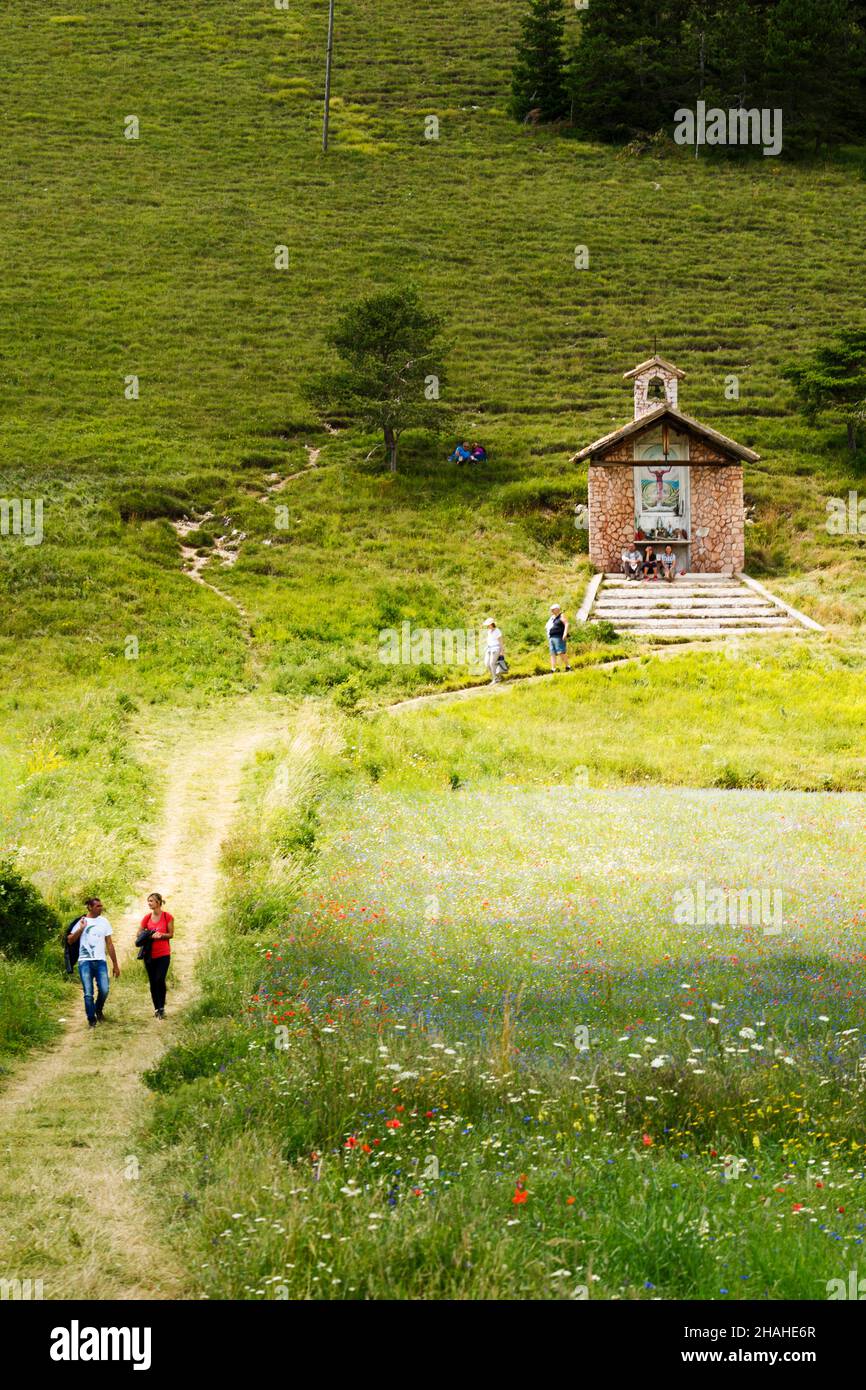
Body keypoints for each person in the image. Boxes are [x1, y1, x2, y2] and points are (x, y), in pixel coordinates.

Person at [67, 897, 120, 1028]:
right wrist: (81, 929)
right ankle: (92, 1020)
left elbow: (109, 943)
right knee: (88, 993)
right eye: (98, 906)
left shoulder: (104, 922)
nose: (101, 908)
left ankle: (98, 1009)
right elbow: (70, 940)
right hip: (85, 962)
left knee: (105, 989)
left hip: (100, 961)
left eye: (101, 906)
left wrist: (115, 965)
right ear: (90, 907)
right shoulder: (81, 921)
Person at [137, 891, 174, 1020]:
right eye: (148, 901)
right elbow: (139, 934)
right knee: (153, 982)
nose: (149, 903)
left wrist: (161, 935)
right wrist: (148, 934)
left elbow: (171, 934)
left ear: (158, 902)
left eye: (151, 901)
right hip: (149, 954)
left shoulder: (167, 917)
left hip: (163, 954)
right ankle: (157, 1008)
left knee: (160, 979)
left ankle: (162, 1006)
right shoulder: (147, 918)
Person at [545, 604, 570, 672]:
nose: (552, 610)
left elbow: (567, 624)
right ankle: (553, 669)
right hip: (551, 637)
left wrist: (565, 634)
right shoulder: (552, 618)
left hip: (558, 636)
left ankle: (568, 666)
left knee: (561, 652)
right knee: (552, 653)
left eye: (553, 609)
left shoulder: (561, 615)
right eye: (551, 609)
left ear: (557, 609)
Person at [482, 617, 505, 684]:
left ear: (492, 624)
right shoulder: (489, 631)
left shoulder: (497, 631)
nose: (487, 626)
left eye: (488, 625)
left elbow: (501, 642)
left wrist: (502, 651)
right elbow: (489, 640)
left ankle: (495, 679)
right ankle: (498, 676)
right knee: (487, 663)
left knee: (492, 663)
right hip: (489, 649)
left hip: (496, 649)